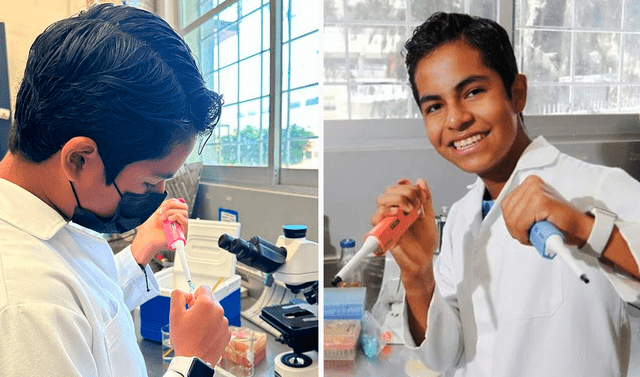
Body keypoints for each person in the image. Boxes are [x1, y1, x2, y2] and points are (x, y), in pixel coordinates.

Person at [372, 12, 640, 377]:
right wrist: (417, 274)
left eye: (473, 92)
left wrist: (583, 227)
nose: (455, 119)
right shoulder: (463, 219)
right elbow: (444, 356)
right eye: (434, 106)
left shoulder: (599, 188)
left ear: (517, 93)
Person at [0, 4, 230, 376]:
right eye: (148, 180)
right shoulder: (26, 305)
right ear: (78, 159)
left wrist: (138, 253)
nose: (160, 193)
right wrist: (193, 361)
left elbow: (89, 315)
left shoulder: (47, 215)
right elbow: (60, 310)